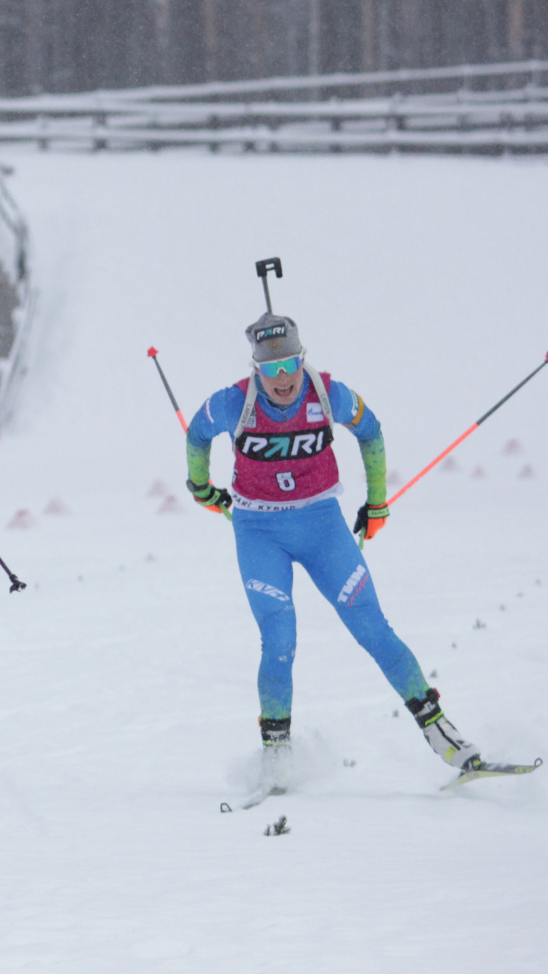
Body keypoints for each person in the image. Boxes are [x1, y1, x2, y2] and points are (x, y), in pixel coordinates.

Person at [185, 313, 486, 792]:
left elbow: (372, 431)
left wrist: (377, 501)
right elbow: (197, 435)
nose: (283, 379)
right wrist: (202, 487)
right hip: (259, 531)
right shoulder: (231, 402)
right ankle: (276, 760)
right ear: (255, 369)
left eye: (290, 365)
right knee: (279, 639)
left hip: (323, 526)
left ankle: (443, 734)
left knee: (373, 627)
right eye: (271, 369)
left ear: (302, 360)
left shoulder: (328, 394)